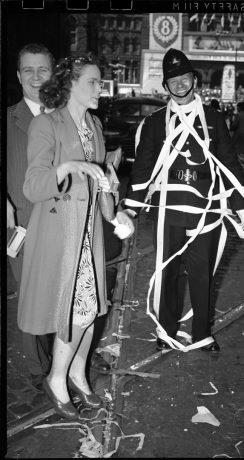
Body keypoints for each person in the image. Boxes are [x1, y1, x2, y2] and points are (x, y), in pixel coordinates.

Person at [18, 54, 134, 418]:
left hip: (90, 234)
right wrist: (68, 167)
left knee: (92, 308)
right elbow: (33, 187)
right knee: (78, 312)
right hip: (60, 233)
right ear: (70, 84)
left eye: (100, 82)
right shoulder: (46, 125)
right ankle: (58, 378)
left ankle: (78, 375)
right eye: (93, 82)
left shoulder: (95, 125)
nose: (100, 88)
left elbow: (102, 179)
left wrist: (116, 207)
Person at [120, 48, 244, 353]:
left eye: (184, 77)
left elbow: (229, 163)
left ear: (194, 79)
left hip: (205, 212)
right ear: (165, 86)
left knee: (202, 273)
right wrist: (131, 207)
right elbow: (142, 168)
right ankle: (166, 330)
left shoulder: (214, 118)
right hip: (168, 211)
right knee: (167, 272)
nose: (179, 84)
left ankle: (201, 332)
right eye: (172, 80)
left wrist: (241, 203)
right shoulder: (155, 122)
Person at [7, 43, 56, 392]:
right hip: (22, 224)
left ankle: (61, 359)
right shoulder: (8, 120)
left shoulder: (68, 117)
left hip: (63, 224)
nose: (36, 77)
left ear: (53, 74)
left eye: (43, 70)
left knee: (60, 297)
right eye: (28, 70)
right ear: (18, 75)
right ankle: (41, 369)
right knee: (30, 298)